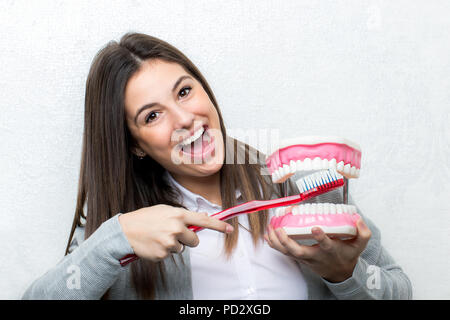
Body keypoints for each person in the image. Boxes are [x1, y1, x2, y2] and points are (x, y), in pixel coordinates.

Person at [22, 32, 412, 300]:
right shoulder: (120, 229)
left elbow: (400, 290)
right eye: (152, 116)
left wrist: (344, 275)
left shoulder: (306, 186)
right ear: (135, 146)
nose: (186, 119)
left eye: (185, 91)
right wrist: (115, 241)